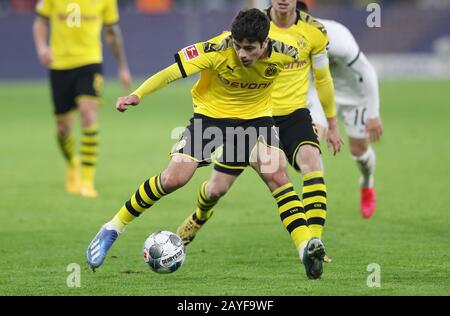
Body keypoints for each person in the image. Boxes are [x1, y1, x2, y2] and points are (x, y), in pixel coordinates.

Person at [86, 9, 326, 279]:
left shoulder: (287, 53)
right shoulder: (215, 49)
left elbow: (310, 82)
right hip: (210, 119)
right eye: (238, 46)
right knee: (174, 178)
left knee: (277, 175)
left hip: (255, 121)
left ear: (265, 43)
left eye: (250, 48)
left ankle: (306, 247)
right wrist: (137, 94)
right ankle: (113, 227)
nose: (243, 54)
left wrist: (317, 118)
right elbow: (171, 73)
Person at [176, 0, 342, 263]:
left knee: (312, 162)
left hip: (293, 115)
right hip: (251, 116)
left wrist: (332, 123)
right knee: (216, 189)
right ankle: (198, 217)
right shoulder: (253, 27)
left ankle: (314, 244)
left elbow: (322, 78)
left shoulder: (315, 31)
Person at [33, 0, 132, 198]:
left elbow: (111, 32)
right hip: (60, 65)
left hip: (90, 62)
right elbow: (41, 22)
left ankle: (87, 180)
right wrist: (42, 47)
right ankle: (72, 164)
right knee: (63, 128)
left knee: (88, 114)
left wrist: (122, 67)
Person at [300, 1, 383, 218]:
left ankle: (367, 183)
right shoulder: (290, 39)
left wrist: (373, 114)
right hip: (320, 95)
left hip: (354, 95)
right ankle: (316, 201)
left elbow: (367, 71)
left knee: (359, 152)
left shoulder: (336, 36)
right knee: (310, 143)